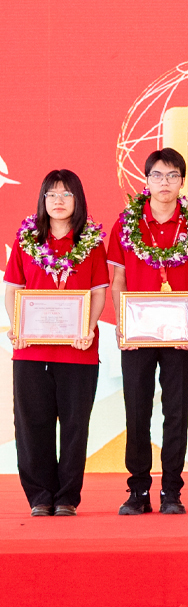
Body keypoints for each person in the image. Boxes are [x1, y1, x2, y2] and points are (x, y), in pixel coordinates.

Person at [108, 147, 188, 515]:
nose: (164, 182)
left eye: (172, 175)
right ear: (146, 180)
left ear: (182, 181)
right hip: (137, 334)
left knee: (176, 412)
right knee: (137, 411)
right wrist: (123, 322)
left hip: (179, 335)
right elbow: (118, 279)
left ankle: (172, 491)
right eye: (157, 175)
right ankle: (138, 490)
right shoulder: (126, 224)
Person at [4, 169, 108, 516]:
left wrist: (88, 328)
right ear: (42, 200)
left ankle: (66, 497)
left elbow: (98, 292)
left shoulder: (91, 242)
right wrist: (17, 326)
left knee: (75, 426)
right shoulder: (27, 240)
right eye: (52, 194)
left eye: (66, 194)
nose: (58, 201)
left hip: (79, 351)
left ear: (78, 200)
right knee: (32, 424)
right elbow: (13, 290)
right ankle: (39, 496)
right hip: (31, 350)